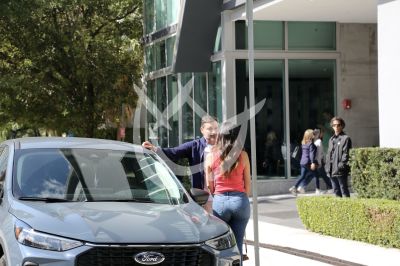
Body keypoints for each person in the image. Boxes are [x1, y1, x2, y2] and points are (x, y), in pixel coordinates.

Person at [142, 115, 218, 212]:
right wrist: (155, 149)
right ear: (202, 130)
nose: (214, 132)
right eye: (210, 129)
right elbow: (174, 152)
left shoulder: (224, 146)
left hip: (224, 197)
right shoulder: (195, 146)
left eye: (216, 128)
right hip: (203, 198)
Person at [204, 121, 251, 259]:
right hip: (240, 201)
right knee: (238, 246)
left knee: (221, 247)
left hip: (220, 201)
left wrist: (219, 195)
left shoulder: (210, 156)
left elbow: (209, 185)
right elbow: (248, 185)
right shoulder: (243, 155)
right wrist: (241, 199)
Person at [297, 128, 333, 194]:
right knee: (323, 175)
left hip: (313, 162)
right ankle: (328, 188)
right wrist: (319, 162)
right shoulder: (318, 141)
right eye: (322, 133)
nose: (323, 134)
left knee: (311, 175)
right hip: (317, 162)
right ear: (319, 134)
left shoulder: (311, 142)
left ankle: (302, 186)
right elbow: (319, 153)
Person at [325, 116, 352, 197]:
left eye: (338, 125)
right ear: (332, 126)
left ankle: (347, 208)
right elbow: (328, 154)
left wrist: (341, 165)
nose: (336, 127)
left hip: (340, 169)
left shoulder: (345, 138)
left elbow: (346, 154)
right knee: (336, 190)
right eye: (334, 125)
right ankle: (339, 208)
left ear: (342, 126)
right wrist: (327, 167)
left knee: (343, 189)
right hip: (331, 169)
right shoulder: (331, 139)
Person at [289, 129, 318, 195]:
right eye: (313, 133)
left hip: (302, 162)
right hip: (308, 162)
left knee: (303, 176)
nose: (314, 134)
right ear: (311, 135)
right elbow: (311, 154)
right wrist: (313, 162)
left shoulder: (303, 143)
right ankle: (318, 189)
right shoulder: (311, 144)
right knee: (315, 174)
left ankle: (295, 187)